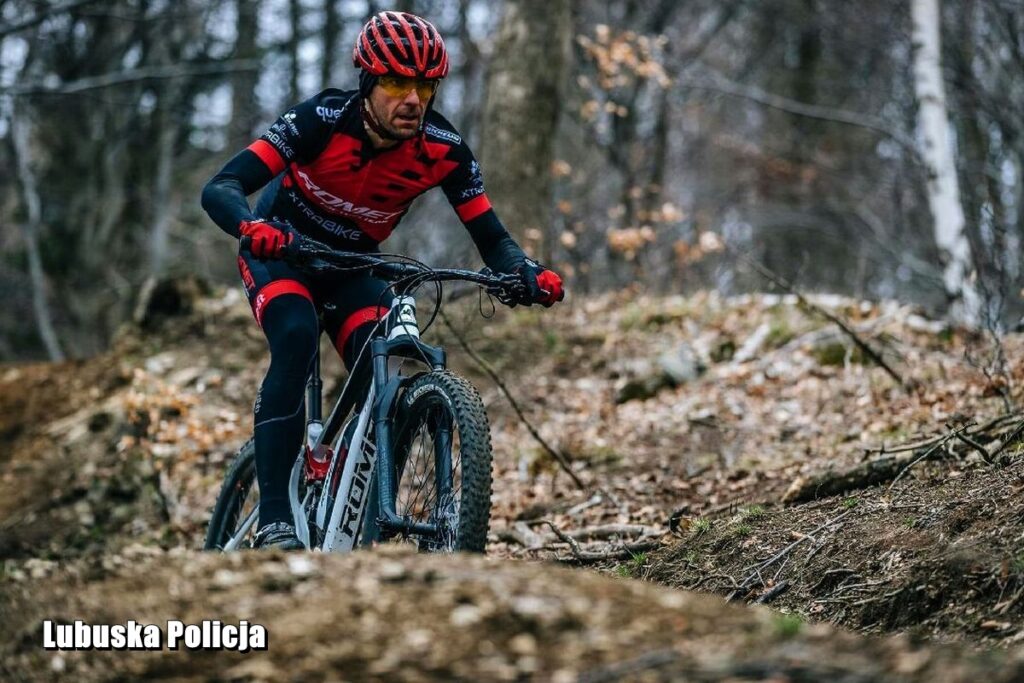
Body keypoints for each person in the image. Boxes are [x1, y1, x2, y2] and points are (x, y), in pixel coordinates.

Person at [200, 10, 564, 550]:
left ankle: (357, 508)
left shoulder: (444, 149)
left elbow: (493, 238)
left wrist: (525, 273)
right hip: (283, 254)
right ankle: (276, 515)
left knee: (388, 368)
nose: (412, 99)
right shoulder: (320, 118)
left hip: (352, 268)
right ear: (368, 83)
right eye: (396, 83)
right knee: (297, 334)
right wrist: (252, 226)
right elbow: (223, 185)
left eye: (424, 85)